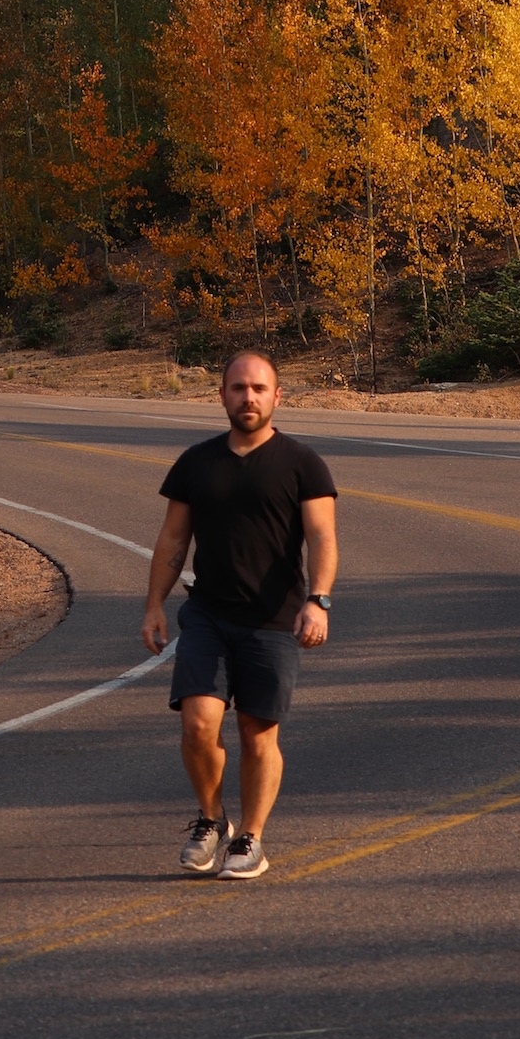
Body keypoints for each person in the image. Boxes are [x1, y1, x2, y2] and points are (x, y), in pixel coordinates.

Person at [142, 349, 338, 879]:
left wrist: (318, 600)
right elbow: (173, 539)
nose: (248, 397)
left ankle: (251, 837)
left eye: (258, 388)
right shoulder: (196, 462)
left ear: (277, 397)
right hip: (208, 614)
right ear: (222, 395)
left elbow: (322, 537)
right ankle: (212, 819)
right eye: (238, 388)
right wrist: (155, 605)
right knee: (197, 724)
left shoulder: (302, 463)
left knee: (257, 732)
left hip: (274, 619)